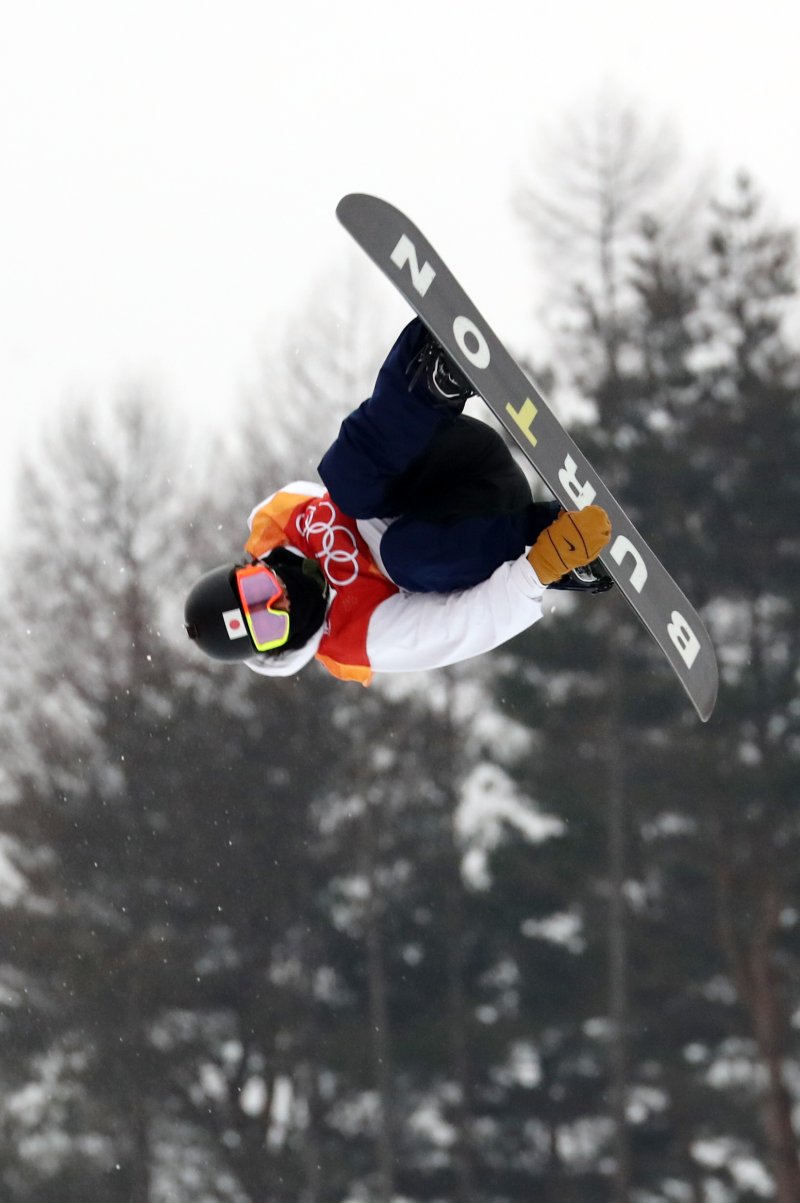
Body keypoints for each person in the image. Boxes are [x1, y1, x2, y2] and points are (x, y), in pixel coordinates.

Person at [184, 319, 612, 684]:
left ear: (248, 569)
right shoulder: (356, 638)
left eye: (257, 591)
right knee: (403, 557)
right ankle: (550, 542)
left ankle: (432, 377)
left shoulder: (277, 521)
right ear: (272, 649)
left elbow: (367, 452)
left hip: (453, 461)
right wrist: (536, 572)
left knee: (347, 484)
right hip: (486, 526)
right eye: (268, 624)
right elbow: (458, 627)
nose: (280, 602)